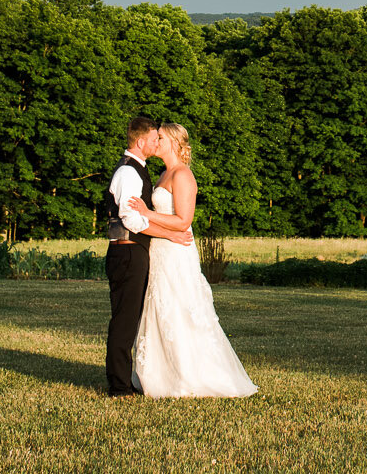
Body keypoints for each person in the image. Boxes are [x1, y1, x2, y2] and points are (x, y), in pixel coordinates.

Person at [125, 122, 258, 399]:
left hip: (176, 252)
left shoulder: (183, 175)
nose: (155, 141)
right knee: (160, 307)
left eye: (159, 137)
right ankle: (158, 375)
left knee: (179, 307)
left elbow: (184, 221)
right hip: (160, 252)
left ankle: (189, 375)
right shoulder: (163, 174)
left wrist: (146, 213)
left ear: (174, 141)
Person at [100, 115, 172, 396]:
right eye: (154, 138)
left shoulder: (137, 169)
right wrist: (165, 232)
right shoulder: (128, 172)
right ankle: (118, 385)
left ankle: (123, 379)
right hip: (127, 253)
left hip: (133, 252)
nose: (157, 142)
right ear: (141, 141)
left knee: (129, 318)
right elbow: (130, 218)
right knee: (124, 319)